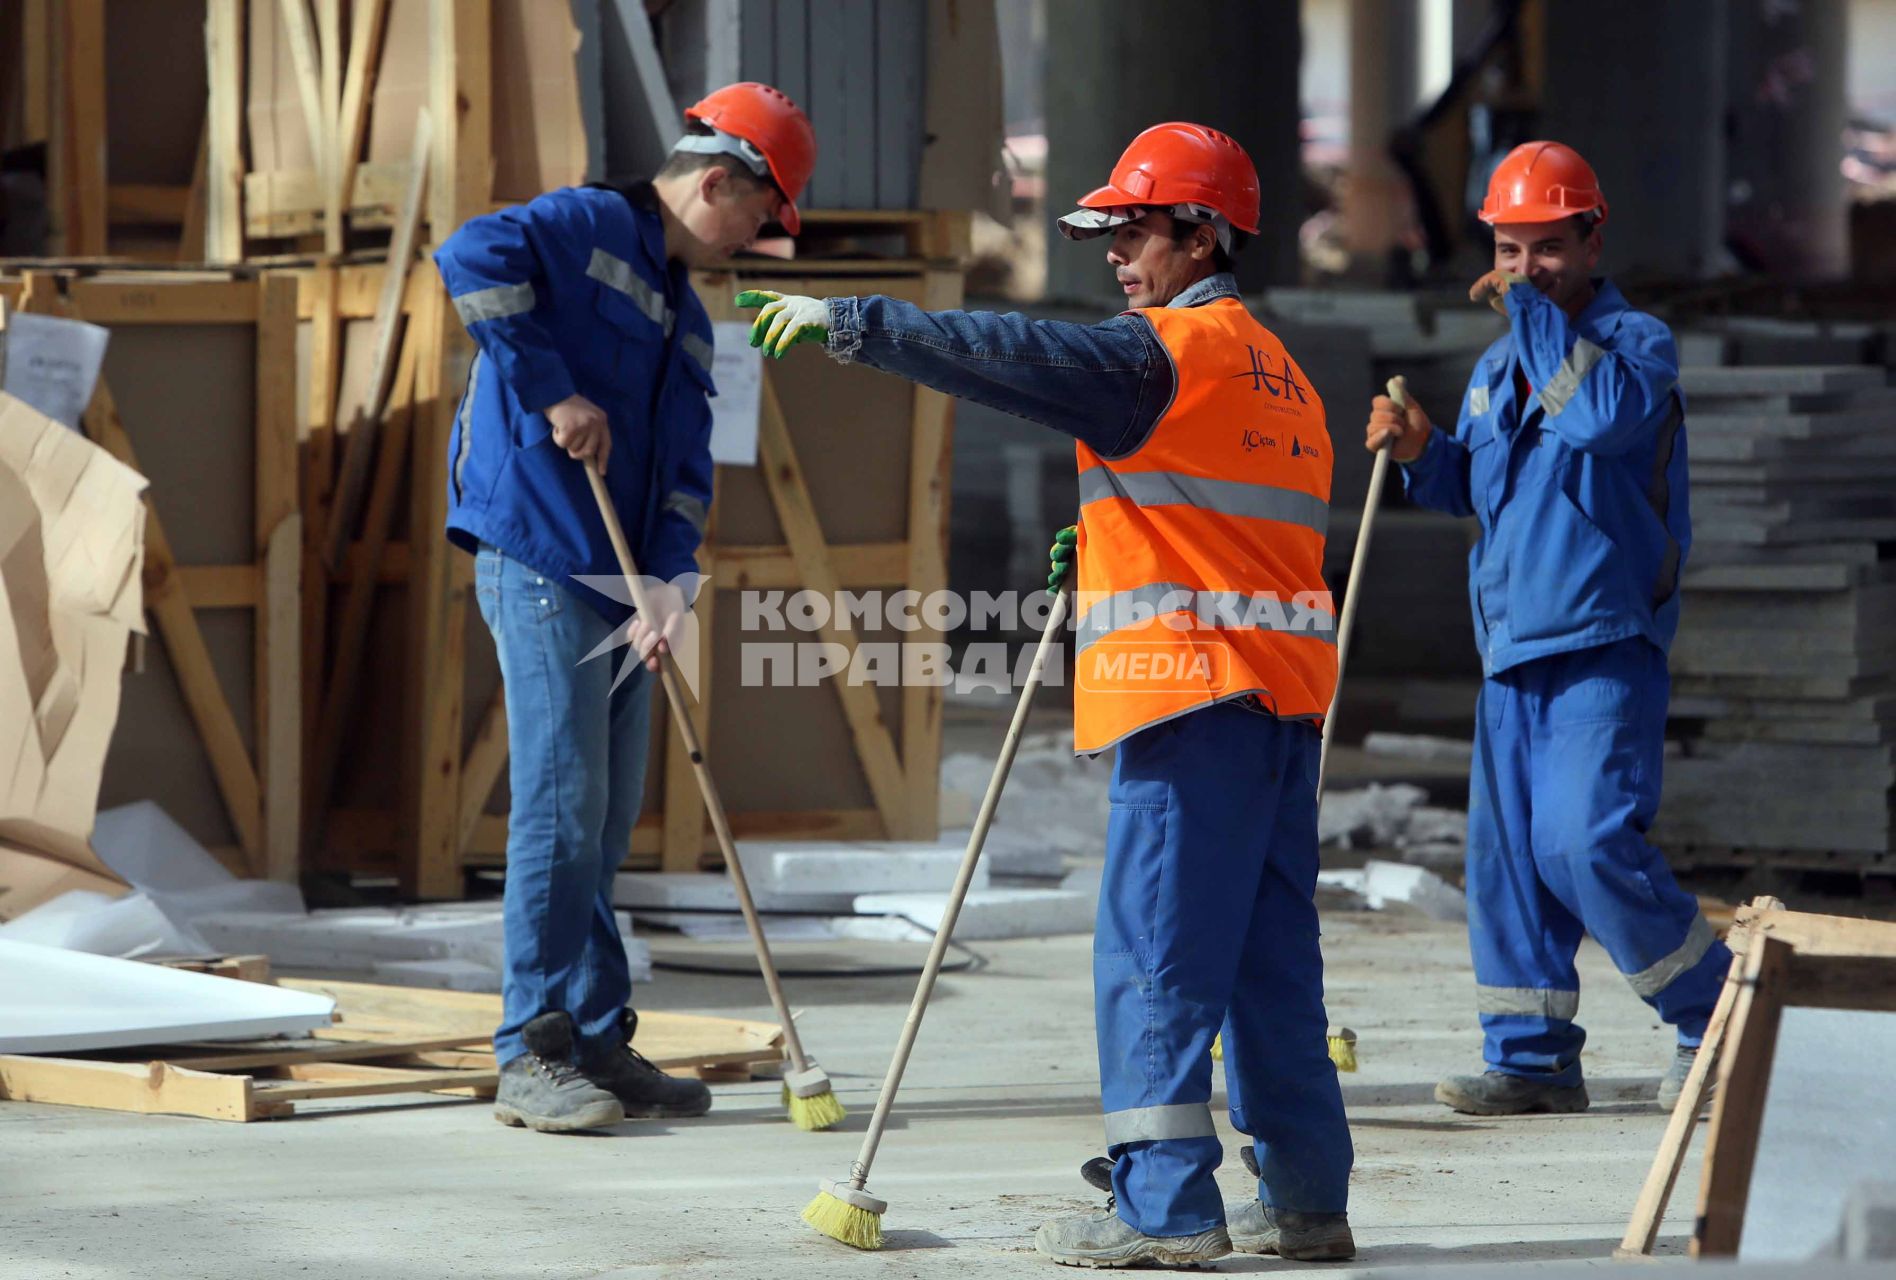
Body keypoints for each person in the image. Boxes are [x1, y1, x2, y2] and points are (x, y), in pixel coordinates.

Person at [740, 122, 1355, 1268]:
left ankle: (1165, 1209)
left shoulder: (1155, 353)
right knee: (1271, 965)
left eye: (1134, 230)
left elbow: (1009, 353)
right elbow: (1231, 525)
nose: (1115, 255)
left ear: (1203, 231)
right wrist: (1120, 529)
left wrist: (852, 322)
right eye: (1109, 233)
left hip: (1188, 700)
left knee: (1154, 961)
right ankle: (1310, 1196)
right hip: (1278, 711)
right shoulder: (1282, 373)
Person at [433, 82, 817, 1132]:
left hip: (620, 583)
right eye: (761, 215)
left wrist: (667, 583)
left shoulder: (691, 321)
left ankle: (597, 1036)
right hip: (543, 551)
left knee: (599, 824)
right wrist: (554, 390)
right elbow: (468, 256)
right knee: (561, 805)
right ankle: (531, 1051)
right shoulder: (588, 224)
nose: (759, 239)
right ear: (717, 180)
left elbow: (687, 472)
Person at [1364, 141, 1728, 1117]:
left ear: (1592, 235)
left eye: (1547, 248)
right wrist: (1421, 451)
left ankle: (1716, 1015)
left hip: (1603, 646)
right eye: (1510, 250)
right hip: (1511, 654)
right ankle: (1529, 1057)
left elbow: (1602, 420)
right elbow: (1482, 492)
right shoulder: (1496, 371)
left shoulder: (1636, 344)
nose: (1526, 269)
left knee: (1584, 841)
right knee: (1510, 864)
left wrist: (1527, 314)